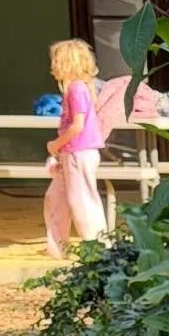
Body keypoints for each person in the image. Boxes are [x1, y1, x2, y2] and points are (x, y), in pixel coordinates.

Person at [43, 39, 108, 258]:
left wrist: (56, 144)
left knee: (83, 201)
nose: (53, 66)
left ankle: (96, 247)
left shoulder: (77, 89)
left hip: (78, 153)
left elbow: (77, 126)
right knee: (56, 197)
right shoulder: (76, 88)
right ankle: (58, 246)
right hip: (71, 153)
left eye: (56, 61)